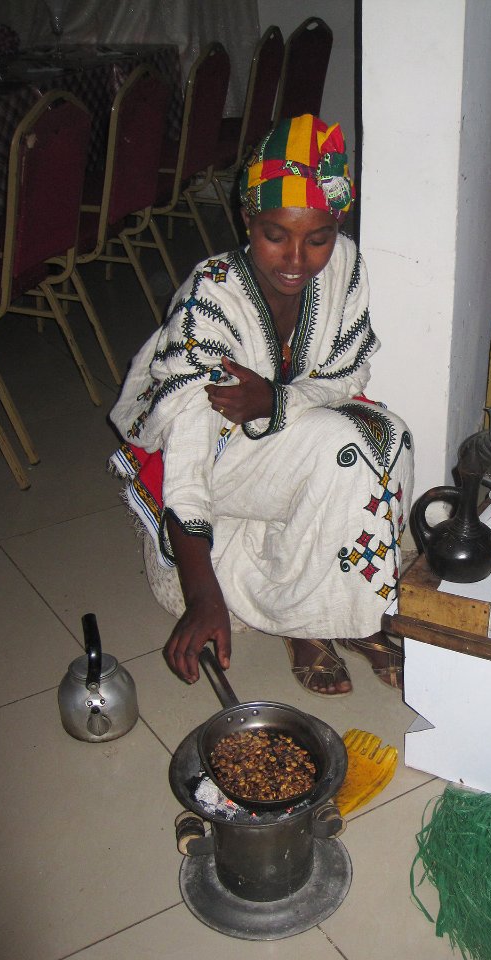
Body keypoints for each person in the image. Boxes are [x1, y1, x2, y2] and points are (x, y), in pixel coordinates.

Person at [109, 114, 414, 693]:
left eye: (317, 237)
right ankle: (303, 621)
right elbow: (190, 442)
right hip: (211, 454)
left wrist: (276, 401)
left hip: (278, 420)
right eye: (276, 234)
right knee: (339, 446)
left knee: (389, 436)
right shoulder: (211, 297)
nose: (297, 258)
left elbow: (346, 376)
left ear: (336, 228)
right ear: (246, 220)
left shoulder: (345, 268)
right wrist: (202, 595)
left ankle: (356, 613)